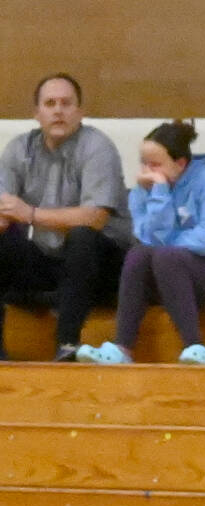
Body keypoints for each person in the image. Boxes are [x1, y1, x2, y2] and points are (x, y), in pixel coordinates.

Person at [78, 119, 205, 366]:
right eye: (144, 163)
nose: (148, 170)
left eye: (156, 164)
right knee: (138, 255)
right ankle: (122, 348)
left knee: (166, 256)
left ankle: (195, 346)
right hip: (172, 273)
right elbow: (147, 238)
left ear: (180, 163)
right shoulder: (145, 188)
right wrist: (158, 194)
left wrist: (167, 245)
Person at [0, 73, 133, 361]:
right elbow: (4, 211)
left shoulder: (98, 147)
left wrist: (31, 214)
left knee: (82, 236)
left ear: (80, 112)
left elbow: (95, 218)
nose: (58, 110)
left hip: (103, 265)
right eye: (50, 103)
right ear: (37, 113)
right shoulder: (18, 149)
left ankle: (67, 345)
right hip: (51, 263)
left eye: (66, 103)